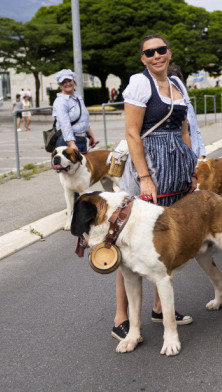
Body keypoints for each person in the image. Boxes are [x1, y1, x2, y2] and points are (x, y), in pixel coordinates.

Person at [112, 33, 198, 341]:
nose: (156, 55)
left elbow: (183, 129)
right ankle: (120, 317)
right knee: (131, 245)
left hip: (176, 169)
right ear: (143, 58)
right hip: (149, 169)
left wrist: (191, 167)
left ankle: (161, 308)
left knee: (164, 239)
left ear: (169, 52)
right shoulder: (139, 83)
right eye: (149, 52)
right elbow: (133, 134)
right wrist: (145, 177)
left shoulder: (176, 85)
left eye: (161, 50)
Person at [52, 69, 97, 152]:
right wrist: (71, 143)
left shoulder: (77, 96)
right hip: (68, 141)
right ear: (60, 85)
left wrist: (91, 136)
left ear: (73, 81)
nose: (67, 84)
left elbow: (84, 119)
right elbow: (64, 124)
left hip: (81, 139)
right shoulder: (61, 101)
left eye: (69, 80)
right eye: (63, 82)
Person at [168, 62, 206, 158]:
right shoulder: (164, 105)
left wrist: (201, 153)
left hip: (192, 156)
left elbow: (195, 129)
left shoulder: (187, 103)